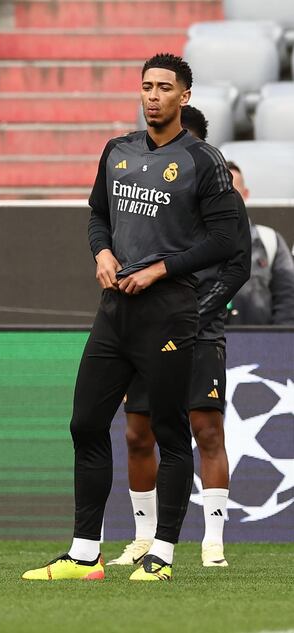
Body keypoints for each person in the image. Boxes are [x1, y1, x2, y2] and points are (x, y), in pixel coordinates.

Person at [22, 53, 240, 582]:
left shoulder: (204, 160)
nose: (153, 96)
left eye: (164, 87)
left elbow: (227, 241)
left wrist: (161, 269)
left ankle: (161, 554)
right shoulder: (117, 150)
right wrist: (101, 253)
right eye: (146, 87)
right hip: (115, 309)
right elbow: (98, 214)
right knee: (85, 423)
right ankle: (84, 554)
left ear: (184, 96)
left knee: (170, 432)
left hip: (169, 312)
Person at [108, 105, 251, 569]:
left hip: (198, 328)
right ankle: (142, 538)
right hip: (146, 325)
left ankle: (213, 542)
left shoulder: (223, 195)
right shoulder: (146, 193)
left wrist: (197, 314)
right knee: (137, 432)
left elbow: (237, 266)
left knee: (206, 428)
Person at [225, 162, 294, 325]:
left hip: (259, 339)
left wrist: (279, 337)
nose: (226, 200)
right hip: (208, 339)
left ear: (245, 194)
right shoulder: (192, 243)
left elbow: (288, 297)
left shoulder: (270, 241)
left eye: (232, 192)